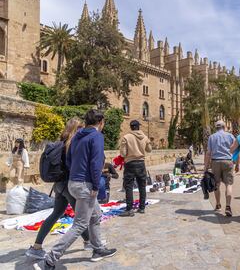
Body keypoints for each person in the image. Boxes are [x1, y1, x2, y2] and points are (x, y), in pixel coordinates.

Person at [34, 110, 117, 270]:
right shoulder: (97, 136)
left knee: (96, 215)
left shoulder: (78, 135)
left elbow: (70, 158)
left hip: (73, 182)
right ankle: (50, 260)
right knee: (79, 224)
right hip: (85, 184)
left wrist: (76, 174)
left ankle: (98, 249)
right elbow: (96, 163)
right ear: (100, 122)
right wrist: (94, 185)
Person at [26, 118, 94, 259]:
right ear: (76, 128)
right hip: (68, 184)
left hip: (59, 185)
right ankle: (89, 242)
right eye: (81, 127)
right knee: (81, 218)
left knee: (57, 213)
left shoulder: (61, 143)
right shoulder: (72, 144)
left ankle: (36, 247)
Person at [119, 120, 152, 217]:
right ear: (138, 127)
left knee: (129, 186)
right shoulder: (144, 137)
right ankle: (142, 208)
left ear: (131, 127)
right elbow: (149, 150)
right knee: (142, 186)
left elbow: (123, 153)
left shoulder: (126, 137)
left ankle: (129, 209)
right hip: (141, 163)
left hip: (130, 164)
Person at [204, 120, 235, 217]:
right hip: (227, 161)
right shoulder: (230, 136)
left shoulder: (211, 137)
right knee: (228, 185)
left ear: (215, 127)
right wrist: (237, 163)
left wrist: (206, 167)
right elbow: (235, 150)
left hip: (215, 161)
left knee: (216, 184)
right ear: (224, 127)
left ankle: (218, 205)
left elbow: (208, 153)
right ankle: (228, 206)